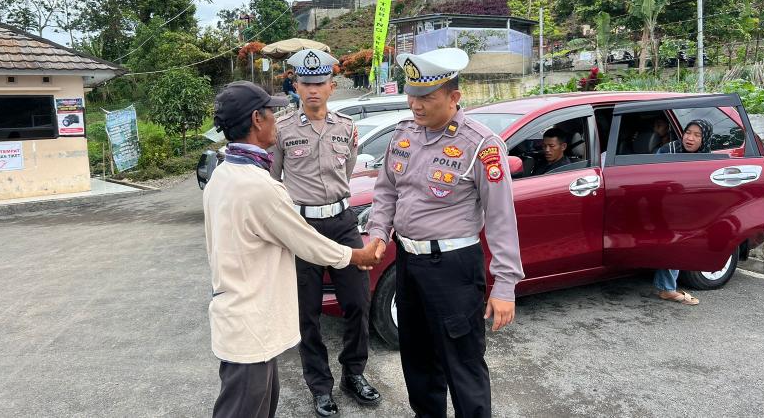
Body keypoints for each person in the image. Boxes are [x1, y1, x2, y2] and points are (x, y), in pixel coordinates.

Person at [203, 81, 384, 418]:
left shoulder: (223, 174)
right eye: (271, 111)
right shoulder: (258, 185)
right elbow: (304, 240)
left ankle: (353, 373)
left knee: (260, 403)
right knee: (248, 403)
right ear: (257, 119)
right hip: (250, 323)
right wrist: (356, 255)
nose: (277, 117)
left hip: (242, 313)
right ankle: (320, 386)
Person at [366, 48, 524, 418]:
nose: (415, 105)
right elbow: (386, 191)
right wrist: (378, 233)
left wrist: (505, 286)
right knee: (417, 360)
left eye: (426, 97)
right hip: (408, 263)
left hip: (453, 268)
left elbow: (501, 218)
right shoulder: (404, 135)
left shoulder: (480, 145)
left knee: (463, 364)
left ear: (454, 97)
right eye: (412, 96)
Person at [271, 49, 381, 417]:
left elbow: (346, 171)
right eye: (306, 84)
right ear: (296, 86)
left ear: (332, 86)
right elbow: (274, 180)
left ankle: (354, 373)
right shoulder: (282, 129)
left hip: (342, 222)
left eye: (320, 83)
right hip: (302, 227)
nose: (313, 90)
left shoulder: (346, 127)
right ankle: (320, 386)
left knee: (358, 301)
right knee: (308, 312)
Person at [652, 118, 713, 306]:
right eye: (688, 133)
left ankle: (667, 287)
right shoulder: (668, 151)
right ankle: (667, 289)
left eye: (697, 135)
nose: (690, 138)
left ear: (705, 139)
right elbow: (650, 176)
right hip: (661, 203)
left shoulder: (707, 159)